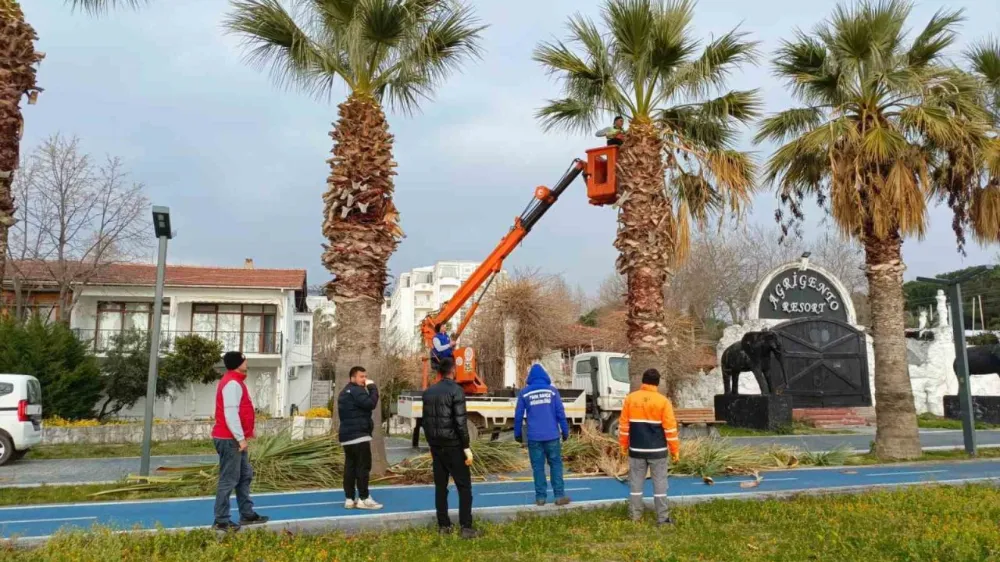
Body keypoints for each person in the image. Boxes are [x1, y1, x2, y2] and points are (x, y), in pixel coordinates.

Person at [421, 357, 479, 539]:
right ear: (453, 371)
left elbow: (426, 422)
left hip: (437, 446)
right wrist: (466, 446)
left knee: (440, 487)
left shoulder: (428, 392)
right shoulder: (457, 390)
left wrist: (431, 444)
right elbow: (461, 422)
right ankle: (466, 527)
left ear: (439, 372)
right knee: (464, 487)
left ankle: (443, 525)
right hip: (453, 445)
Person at [211, 351, 269, 531]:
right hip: (230, 439)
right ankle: (221, 520)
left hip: (235, 439)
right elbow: (230, 414)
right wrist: (240, 438)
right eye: (244, 360)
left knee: (245, 476)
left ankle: (247, 514)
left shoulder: (236, 382)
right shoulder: (232, 384)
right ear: (238, 363)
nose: (247, 362)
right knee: (229, 479)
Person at [618, 368, 679, 526]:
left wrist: (623, 446)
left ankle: (635, 516)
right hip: (658, 451)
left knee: (636, 484)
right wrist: (675, 451)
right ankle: (662, 518)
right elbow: (670, 429)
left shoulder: (630, 399)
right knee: (660, 485)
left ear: (642, 381)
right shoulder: (663, 402)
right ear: (657, 383)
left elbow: (624, 426)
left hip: (636, 450)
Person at [514, 364, 571, 507]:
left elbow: (518, 415)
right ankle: (559, 496)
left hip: (534, 437)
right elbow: (560, 413)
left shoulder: (524, 393)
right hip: (552, 436)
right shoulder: (552, 392)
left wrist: (518, 434)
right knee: (556, 465)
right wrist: (565, 431)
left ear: (530, 378)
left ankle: (540, 498)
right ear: (545, 376)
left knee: (538, 468)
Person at [338, 365, 383, 510]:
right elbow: (371, 403)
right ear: (353, 378)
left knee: (350, 467)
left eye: (365, 377)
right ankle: (364, 498)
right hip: (359, 436)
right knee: (363, 467)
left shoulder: (344, 392)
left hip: (346, 437)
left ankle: (349, 499)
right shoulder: (357, 390)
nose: (365, 379)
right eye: (361, 377)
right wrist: (373, 388)